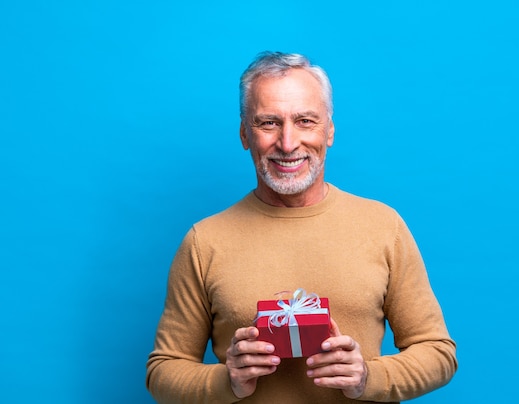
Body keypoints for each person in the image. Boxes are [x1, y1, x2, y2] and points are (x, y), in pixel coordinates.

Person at [146, 51, 457, 403]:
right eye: (269, 123)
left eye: (305, 121)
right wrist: (228, 380)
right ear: (245, 134)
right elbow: (163, 371)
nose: (288, 143)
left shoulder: (384, 226)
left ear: (329, 131)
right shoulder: (205, 242)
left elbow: (438, 352)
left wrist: (368, 377)